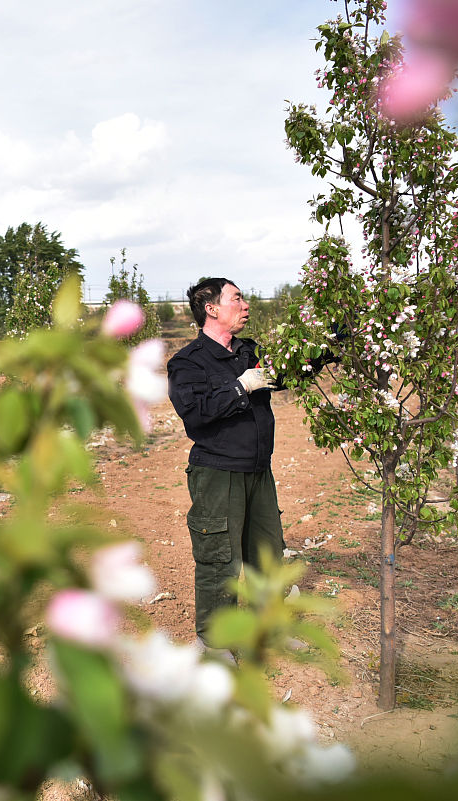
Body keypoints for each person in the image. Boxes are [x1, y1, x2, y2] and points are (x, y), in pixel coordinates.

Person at [166, 278, 282, 658]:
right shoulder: (188, 363)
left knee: (267, 553)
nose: (246, 305)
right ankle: (215, 645)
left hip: (257, 471)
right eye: (237, 299)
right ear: (212, 309)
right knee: (220, 559)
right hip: (218, 474)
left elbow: (288, 373)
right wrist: (240, 387)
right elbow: (195, 414)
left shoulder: (248, 352)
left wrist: (330, 345)